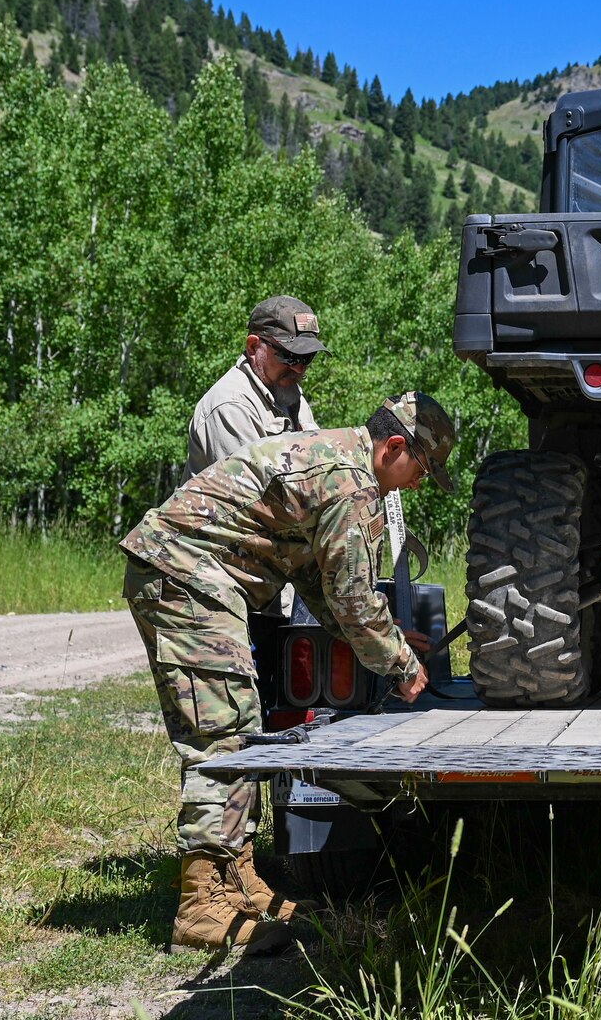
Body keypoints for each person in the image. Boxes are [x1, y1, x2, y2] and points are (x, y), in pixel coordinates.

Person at [120, 391, 456, 953]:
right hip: (186, 575)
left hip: (194, 574)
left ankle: (238, 879)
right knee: (223, 733)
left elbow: (317, 584)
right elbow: (349, 596)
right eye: (421, 468)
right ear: (394, 447)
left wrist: (385, 634)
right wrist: (401, 664)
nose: (419, 482)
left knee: (242, 722)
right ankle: (200, 906)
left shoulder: (339, 462)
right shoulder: (351, 486)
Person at [184, 295, 325, 482]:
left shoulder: (288, 390)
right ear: (253, 346)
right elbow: (259, 495)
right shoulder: (231, 405)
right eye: (289, 356)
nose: (299, 368)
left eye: (308, 357)